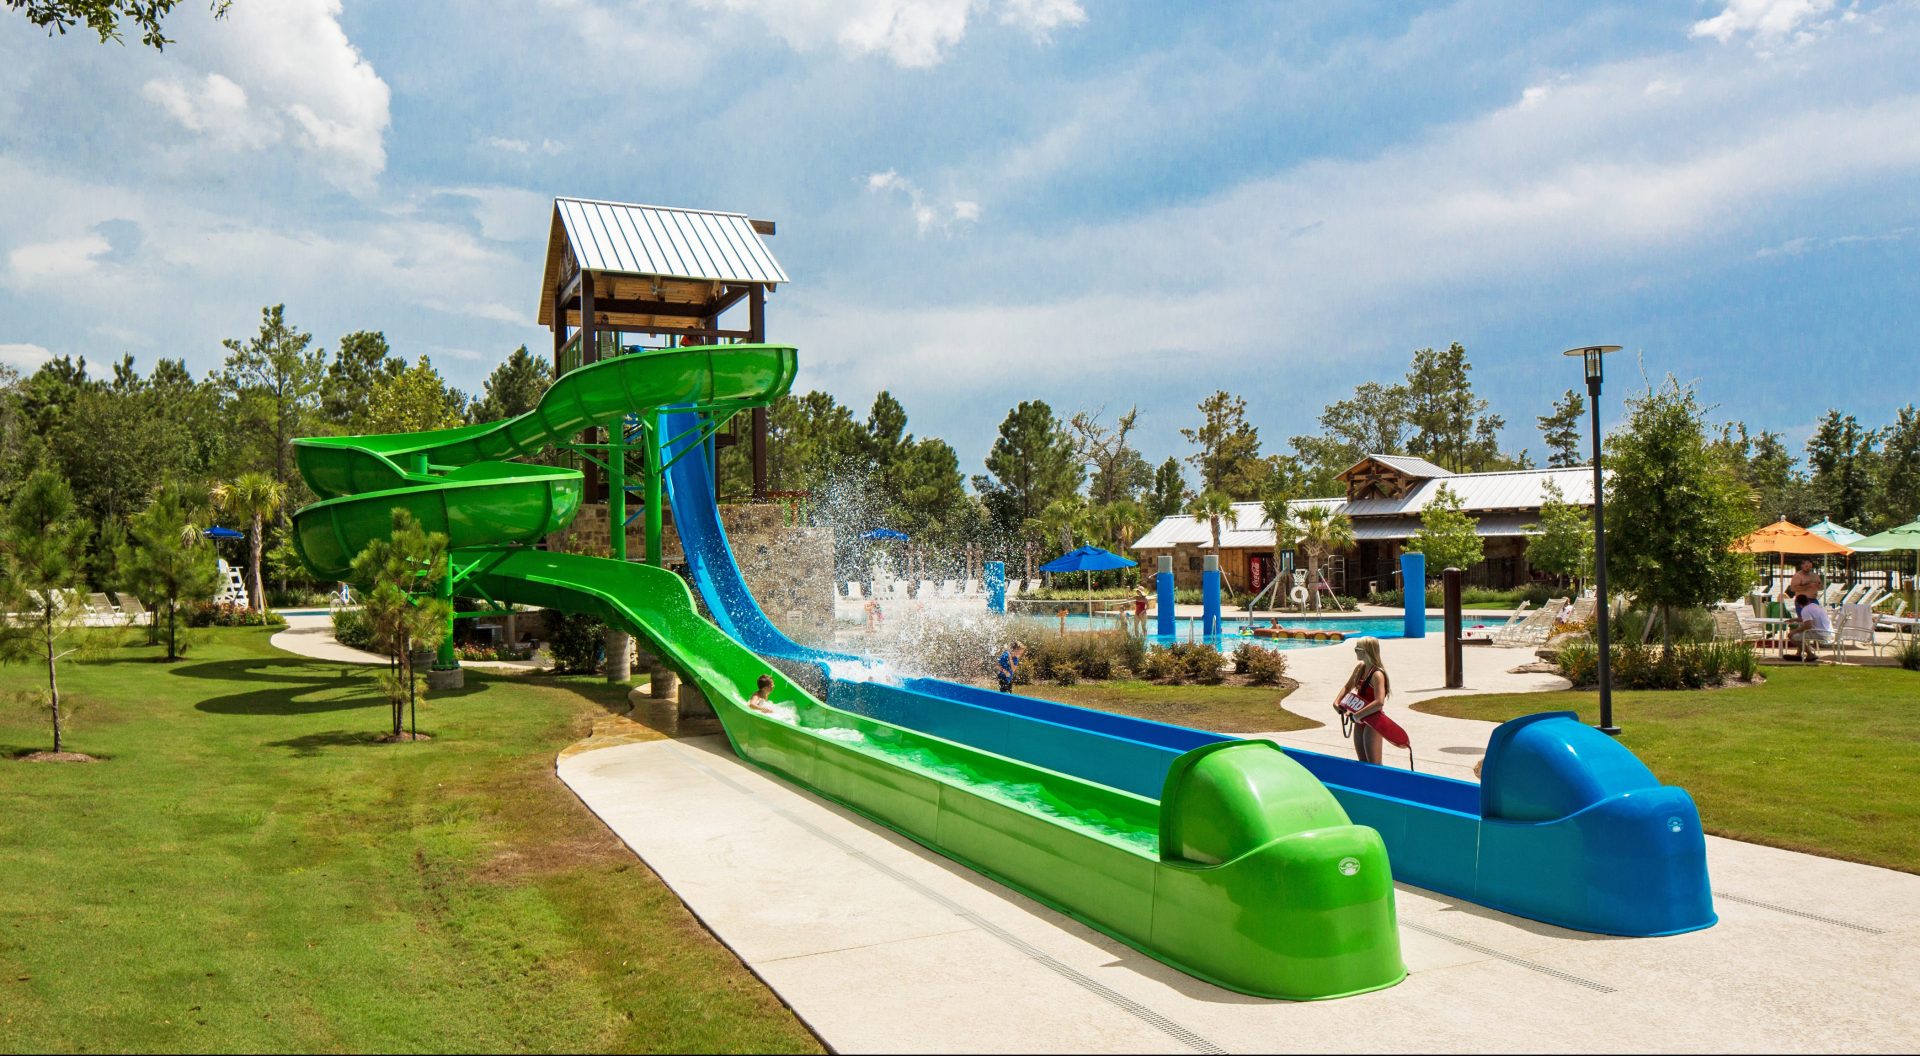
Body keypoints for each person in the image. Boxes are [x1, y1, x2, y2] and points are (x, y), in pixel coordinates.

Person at [1332, 636, 1391, 764]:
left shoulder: (1377, 674)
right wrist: (1336, 702)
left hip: (1373, 721)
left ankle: (1378, 784)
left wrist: (1357, 715)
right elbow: (1348, 686)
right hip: (1359, 719)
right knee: (1362, 762)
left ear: (1367, 651)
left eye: (1357, 649)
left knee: (1374, 764)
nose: (1355, 651)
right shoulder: (1360, 668)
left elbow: (1379, 702)